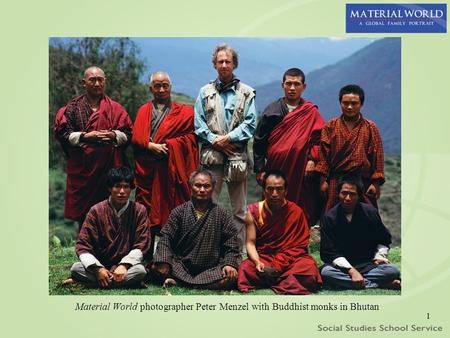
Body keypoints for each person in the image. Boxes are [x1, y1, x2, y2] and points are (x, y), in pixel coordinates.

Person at [194, 44, 257, 251]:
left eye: (227, 61)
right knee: (206, 204)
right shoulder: (204, 92)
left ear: (234, 64)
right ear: (214, 64)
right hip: (212, 157)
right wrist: (215, 141)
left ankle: (236, 253)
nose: (223, 65)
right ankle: (206, 250)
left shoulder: (247, 93)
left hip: (237, 157)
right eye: (220, 61)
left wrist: (227, 138)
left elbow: (250, 123)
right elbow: (199, 124)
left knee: (239, 208)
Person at [54, 66, 133, 226]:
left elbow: (129, 133)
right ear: (84, 83)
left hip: (109, 170)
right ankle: (84, 247)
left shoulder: (115, 108)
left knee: (110, 214)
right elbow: (62, 134)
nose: (97, 83)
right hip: (83, 170)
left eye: (100, 80)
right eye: (92, 80)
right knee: (85, 218)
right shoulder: (72, 108)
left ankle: (110, 248)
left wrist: (113, 135)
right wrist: (85, 136)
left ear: (105, 82)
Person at [132, 71, 198, 243]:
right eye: (157, 86)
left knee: (172, 209)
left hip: (171, 170)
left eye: (165, 86)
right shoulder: (144, 110)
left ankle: (171, 254)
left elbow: (191, 138)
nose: (161, 89)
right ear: (150, 88)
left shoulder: (184, 112)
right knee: (146, 211)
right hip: (149, 170)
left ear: (170, 87)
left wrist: (171, 146)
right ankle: (145, 252)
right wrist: (150, 145)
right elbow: (137, 138)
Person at [253, 68, 325, 225]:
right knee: (274, 198)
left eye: (297, 84)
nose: (292, 88)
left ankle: (299, 235)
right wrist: (260, 169)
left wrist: (312, 159)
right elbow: (259, 141)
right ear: (282, 85)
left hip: (302, 170)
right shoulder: (272, 111)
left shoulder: (311, 112)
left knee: (301, 202)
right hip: (276, 167)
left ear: (303, 87)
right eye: (289, 84)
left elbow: (319, 140)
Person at [151, 169, 241, 289]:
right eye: (198, 185)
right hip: (181, 266)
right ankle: (203, 285)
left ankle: (179, 283)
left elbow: (232, 245)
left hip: (211, 268)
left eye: (206, 186)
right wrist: (164, 260)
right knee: (157, 267)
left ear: (213, 187)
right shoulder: (179, 212)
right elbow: (166, 239)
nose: (202, 190)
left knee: (230, 274)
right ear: (191, 187)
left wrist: (229, 264)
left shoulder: (222, 214)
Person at [64, 167, 151, 288]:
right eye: (117, 186)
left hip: (125, 267)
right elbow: (83, 245)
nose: (122, 191)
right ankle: (120, 283)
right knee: (76, 268)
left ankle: (89, 283)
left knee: (140, 271)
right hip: (100, 265)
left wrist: (124, 265)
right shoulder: (96, 210)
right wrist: (98, 269)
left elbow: (142, 244)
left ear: (131, 189)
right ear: (110, 188)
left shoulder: (139, 211)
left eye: (126, 186)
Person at [238, 170, 322, 294]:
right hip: (265, 258)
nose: (274, 194)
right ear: (264, 190)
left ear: (286, 191)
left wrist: (278, 265)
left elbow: (299, 246)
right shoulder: (254, 211)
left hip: (291, 260)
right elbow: (250, 243)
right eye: (270, 189)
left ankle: (275, 279)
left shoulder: (296, 212)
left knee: (308, 268)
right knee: (245, 268)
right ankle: (287, 281)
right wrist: (257, 262)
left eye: (279, 189)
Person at [320, 175, 400, 290]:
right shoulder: (329, 217)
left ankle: (351, 282)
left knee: (392, 271)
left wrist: (379, 257)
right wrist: (351, 271)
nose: (347, 198)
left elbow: (383, 239)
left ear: (359, 196)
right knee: (326, 272)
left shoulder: (370, 212)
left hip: (367, 264)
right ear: (338, 194)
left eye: (352, 194)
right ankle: (380, 285)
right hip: (341, 267)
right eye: (344, 193)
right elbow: (329, 252)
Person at [315, 84, 384, 211]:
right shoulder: (330, 126)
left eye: (354, 103)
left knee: (366, 218)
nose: (349, 107)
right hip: (336, 180)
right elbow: (323, 156)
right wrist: (323, 180)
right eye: (345, 103)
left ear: (361, 104)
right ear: (340, 103)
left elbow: (377, 156)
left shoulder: (370, 127)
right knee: (333, 218)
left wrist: (375, 183)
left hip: (362, 181)